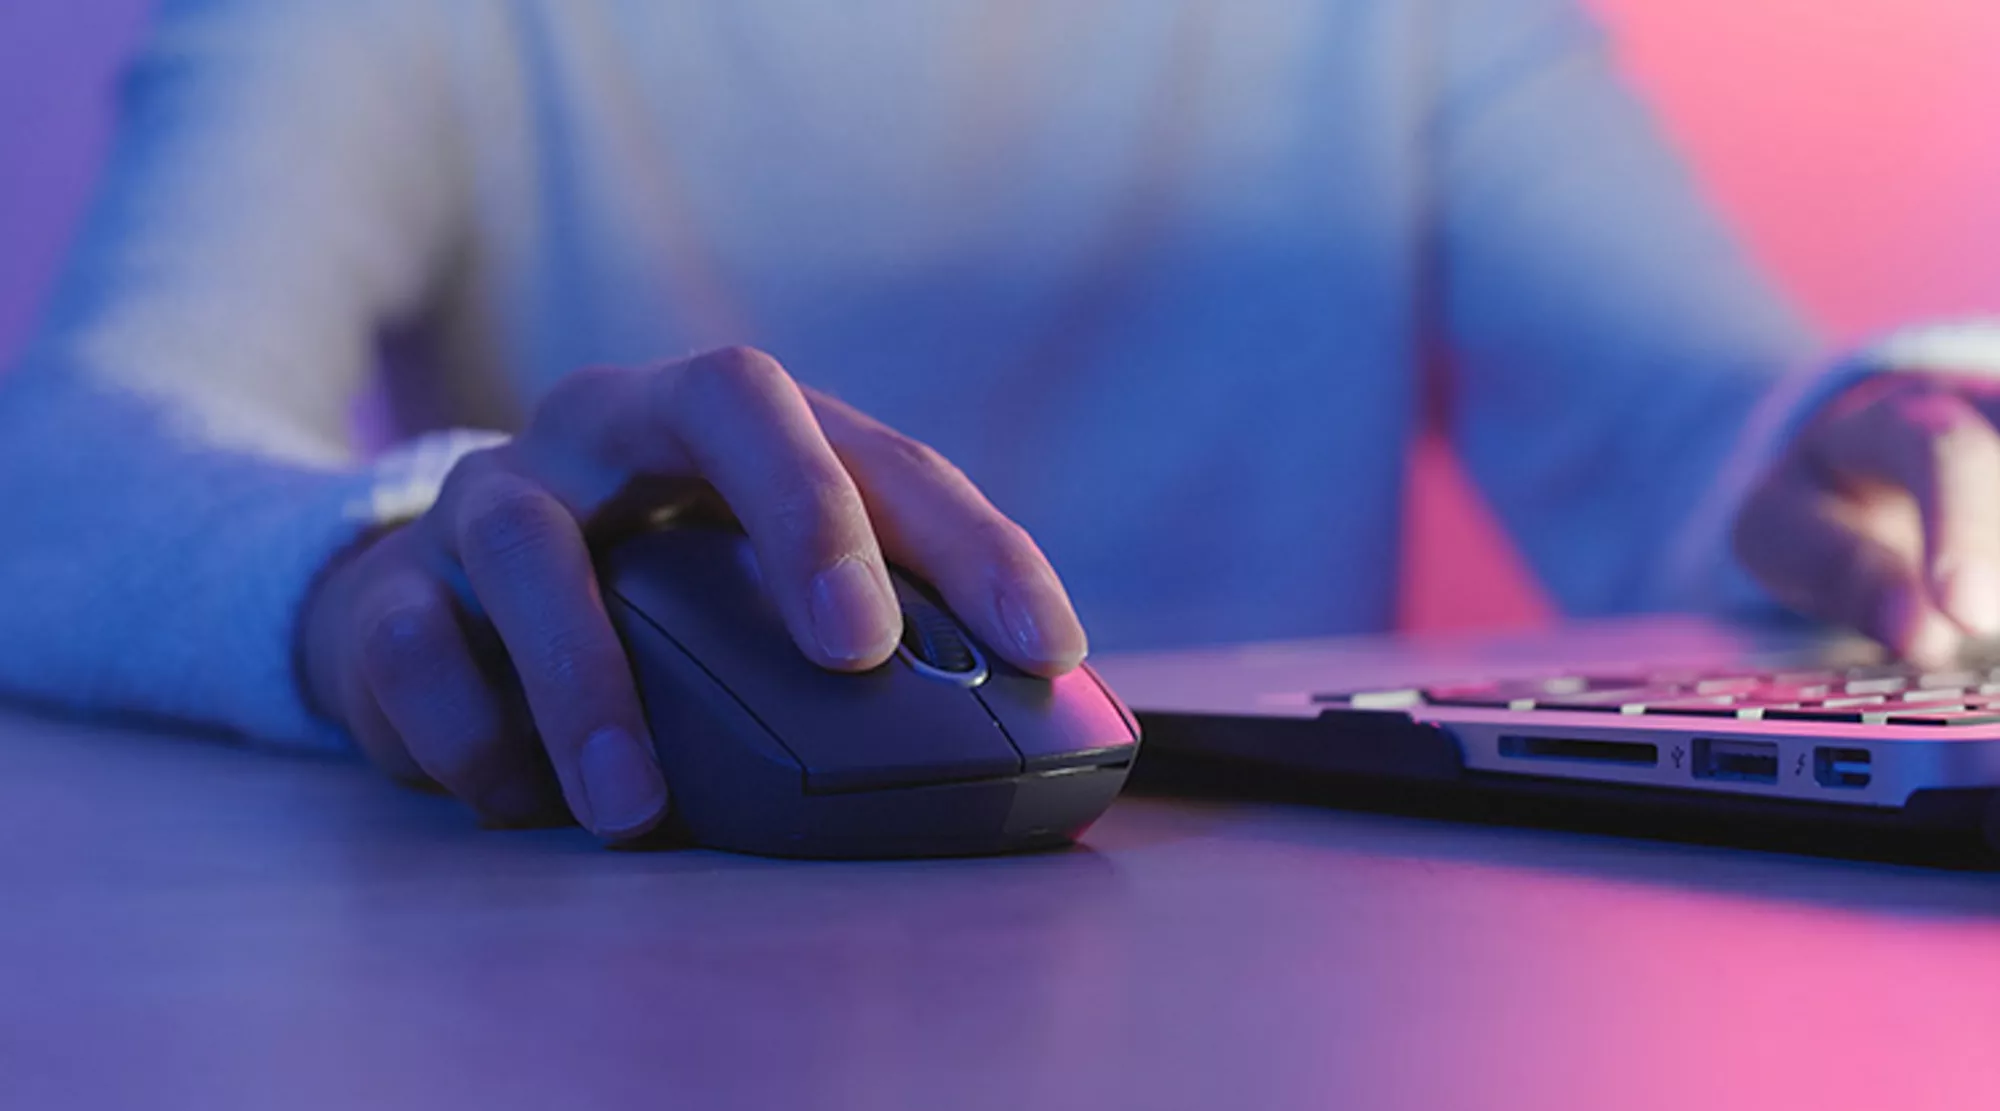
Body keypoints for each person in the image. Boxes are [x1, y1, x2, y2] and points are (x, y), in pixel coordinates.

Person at [2, 0, 1996, 841]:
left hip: (1287, 982)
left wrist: (1861, 446)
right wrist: (371, 569)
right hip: (637, 981)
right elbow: (61, 468)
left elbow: (1702, 430)